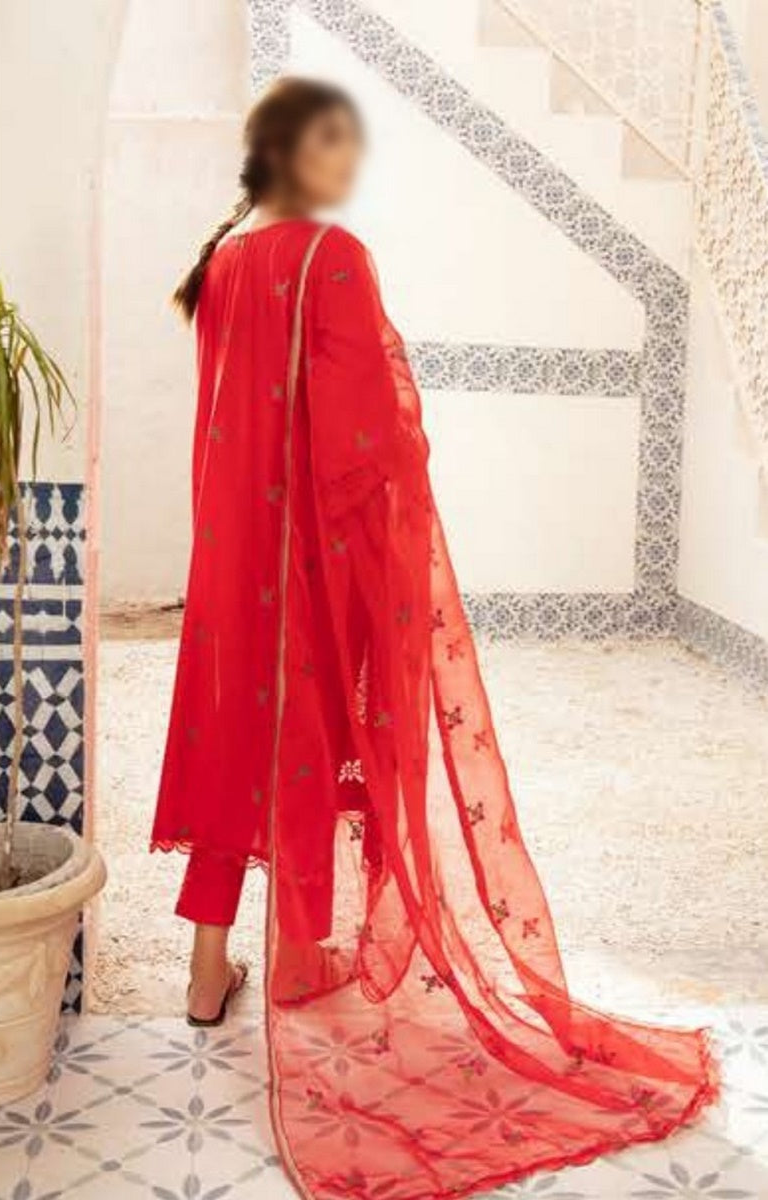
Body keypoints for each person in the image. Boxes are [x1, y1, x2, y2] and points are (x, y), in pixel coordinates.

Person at [151, 75, 717, 1200]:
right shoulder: (331, 257)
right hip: (310, 568)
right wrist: (399, 495)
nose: (346, 163)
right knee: (319, 737)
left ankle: (208, 971)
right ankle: (303, 959)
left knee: (236, 745)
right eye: (332, 143)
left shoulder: (218, 267)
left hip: (229, 563)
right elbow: (369, 432)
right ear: (288, 153)